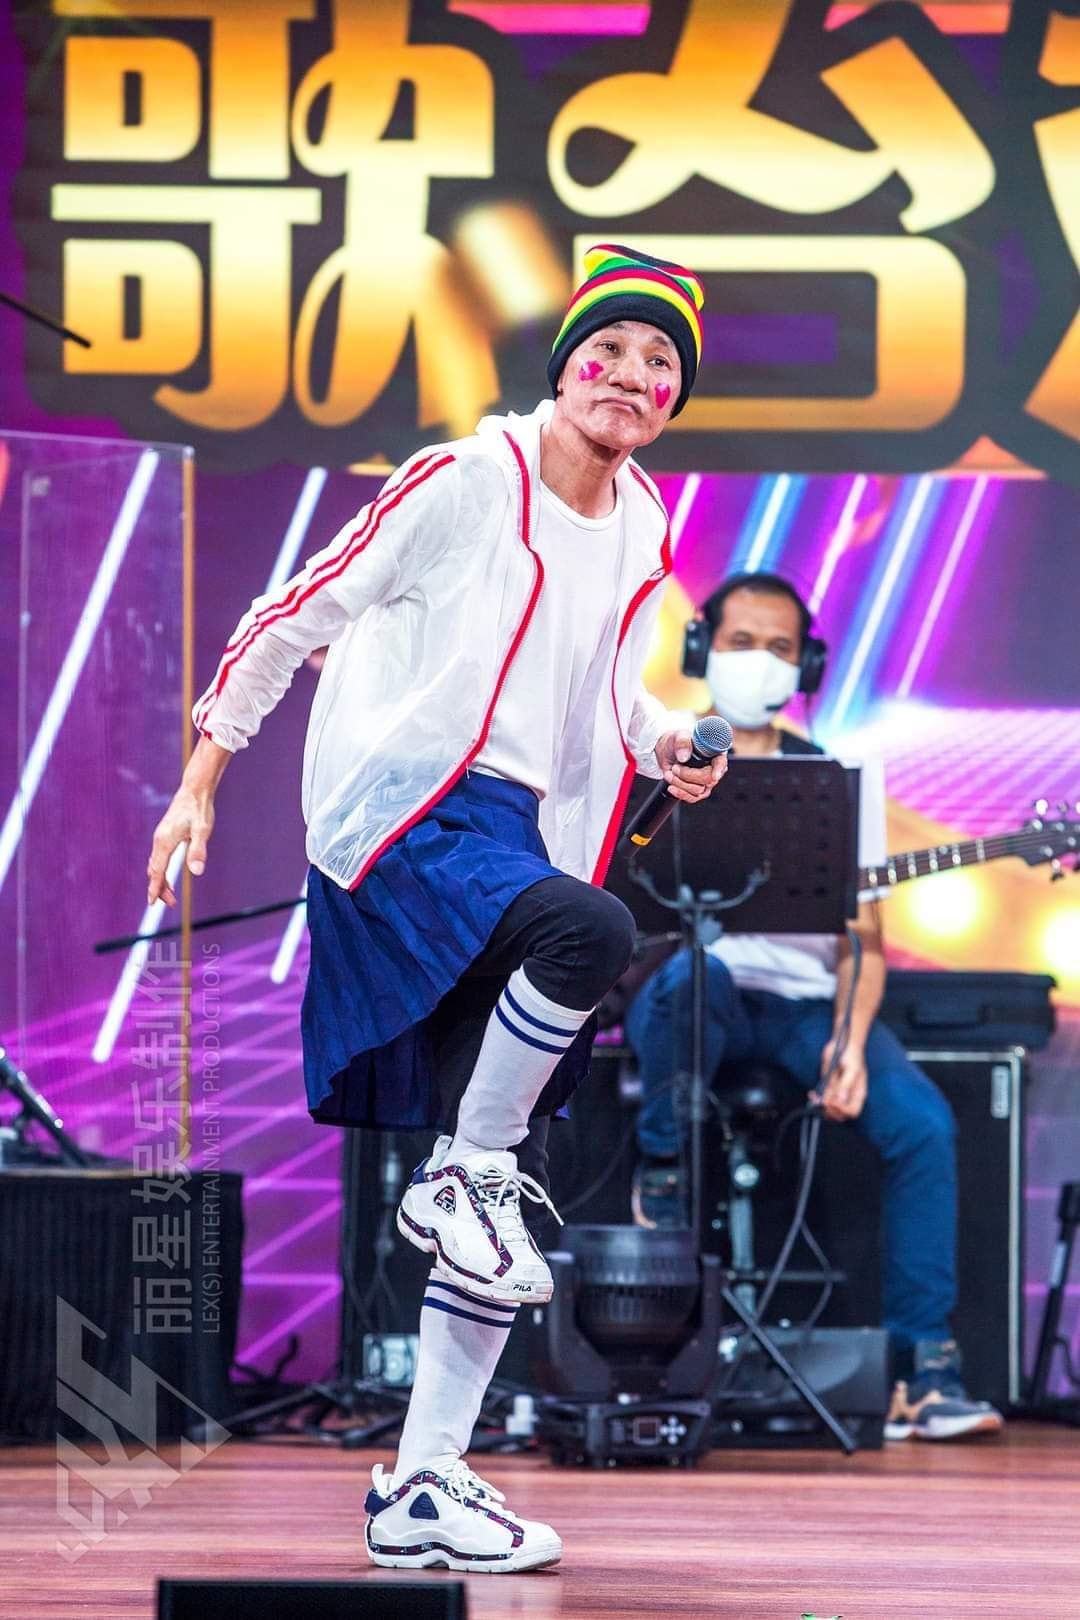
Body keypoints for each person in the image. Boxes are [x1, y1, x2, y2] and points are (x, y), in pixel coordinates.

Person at [146, 245, 727, 1572]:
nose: (630, 376)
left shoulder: (641, 521)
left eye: (659, 364)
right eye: (610, 349)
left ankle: (423, 1481)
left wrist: (662, 739)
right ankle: (460, 1170)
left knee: (506, 1186)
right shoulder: (467, 477)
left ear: (673, 399)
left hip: (513, 830)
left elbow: (597, 688)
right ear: (565, 363)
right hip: (413, 813)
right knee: (590, 932)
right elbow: (292, 615)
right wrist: (199, 783)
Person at [625, 571, 1005, 1443]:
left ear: (806, 667)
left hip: (804, 1007)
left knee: (922, 1126)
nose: (758, 661)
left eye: (780, 648)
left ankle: (925, 1370)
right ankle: (663, 1168)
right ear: (701, 649)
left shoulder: (836, 779)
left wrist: (850, 1042)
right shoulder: (657, 764)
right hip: (700, 992)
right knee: (692, 982)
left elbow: (863, 936)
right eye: (740, 643)